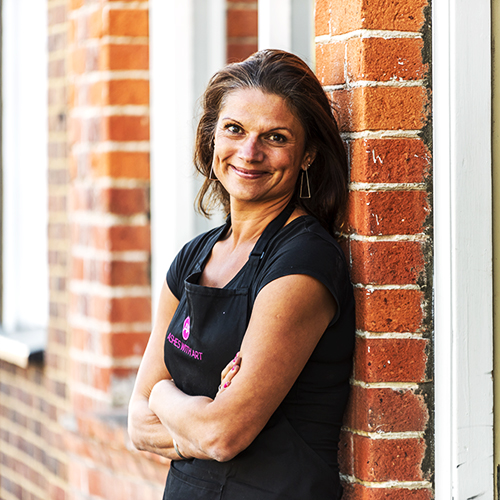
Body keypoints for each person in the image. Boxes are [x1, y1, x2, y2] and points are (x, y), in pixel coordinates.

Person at [128, 49, 355, 499]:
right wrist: (189, 413)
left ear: (307, 154)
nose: (250, 153)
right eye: (235, 129)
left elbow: (222, 435)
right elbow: (136, 424)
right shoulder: (193, 257)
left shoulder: (303, 264)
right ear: (213, 137)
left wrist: (163, 397)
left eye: (275, 138)